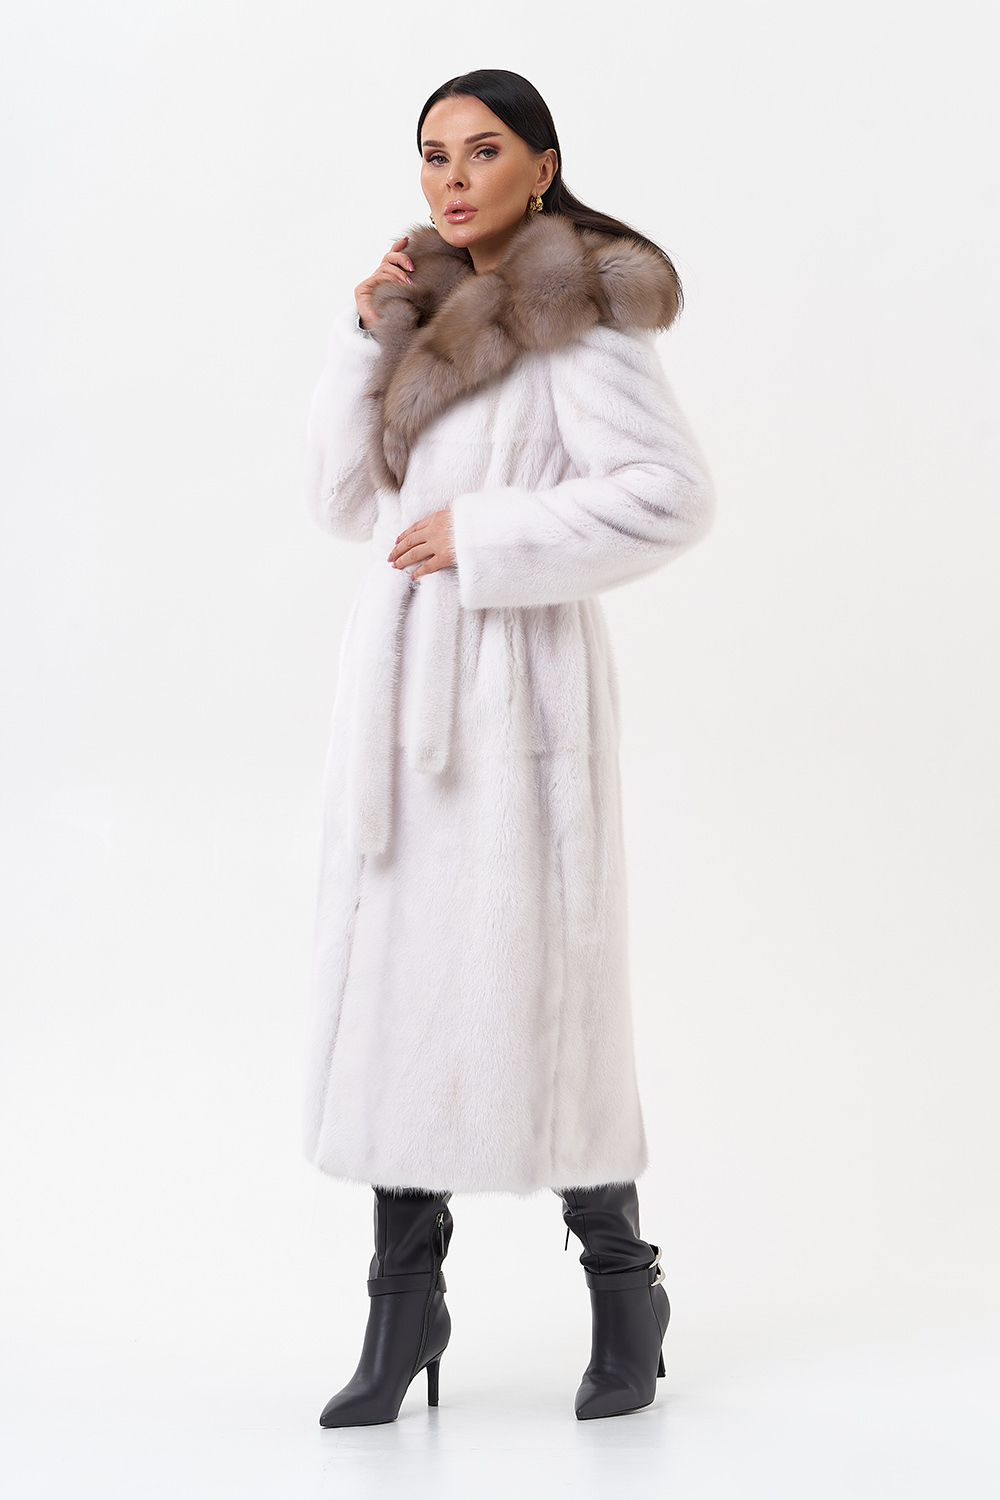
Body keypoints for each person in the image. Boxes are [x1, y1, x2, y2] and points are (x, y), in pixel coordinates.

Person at [300, 68, 715, 1426]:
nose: (452, 178)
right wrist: (364, 336)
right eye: (432, 155)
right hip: (403, 706)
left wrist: (487, 535)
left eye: (482, 152)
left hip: (519, 703)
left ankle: (625, 1290)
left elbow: (671, 495)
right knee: (401, 996)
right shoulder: (419, 317)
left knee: (548, 992)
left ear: (542, 165)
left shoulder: (575, 318)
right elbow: (340, 501)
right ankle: (404, 1306)